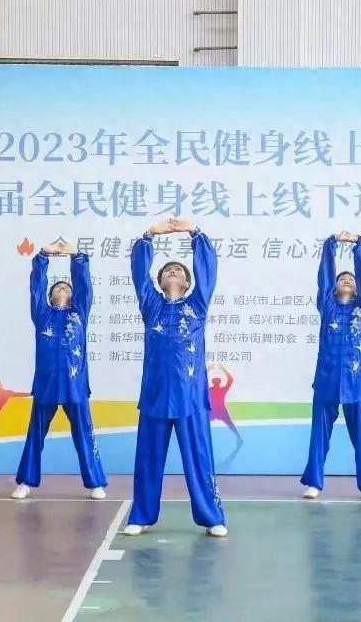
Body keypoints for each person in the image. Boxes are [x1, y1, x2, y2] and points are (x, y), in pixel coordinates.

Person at [122, 218, 227, 538]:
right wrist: (148, 236)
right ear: (159, 280)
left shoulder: (197, 304)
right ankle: (141, 516)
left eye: (179, 270)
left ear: (187, 282)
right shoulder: (150, 305)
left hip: (190, 397)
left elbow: (207, 269)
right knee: (148, 459)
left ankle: (212, 517)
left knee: (199, 458)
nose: (173, 271)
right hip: (155, 394)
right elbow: (138, 272)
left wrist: (195, 232)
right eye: (167, 269)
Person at [13, 242, 108, 501]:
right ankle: (25, 482)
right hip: (46, 384)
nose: (63, 289)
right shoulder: (41, 313)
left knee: (84, 433)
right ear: (50, 296)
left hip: (75, 385)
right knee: (35, 434)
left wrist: (76, 256)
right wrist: (44, 256)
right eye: (58, 287)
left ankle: (95, 483)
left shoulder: (79, 312)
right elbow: (36, 285)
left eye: (67, 287)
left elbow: (84, 285)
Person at [300, 231, 361, 501]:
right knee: (319, 434)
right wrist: (332, 244)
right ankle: (314, 482)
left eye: (351, 279)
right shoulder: (327, 306)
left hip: (356, 383)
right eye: (341, 279)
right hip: (326, 379)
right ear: (334, 287)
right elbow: (324, 275)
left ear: (358, 288)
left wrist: (359, 243)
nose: (346, 280)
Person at [207, 363, 242, 447]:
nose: (216, 382)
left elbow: (201, 381)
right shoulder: (220, 390)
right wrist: (223, 369)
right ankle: (238, 437)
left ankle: (239, 438)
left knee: (202, 424)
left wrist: (208, 369)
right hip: (218, 411)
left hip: (217, 411)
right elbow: (230, 380)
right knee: (230, 424)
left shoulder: (211, 390)